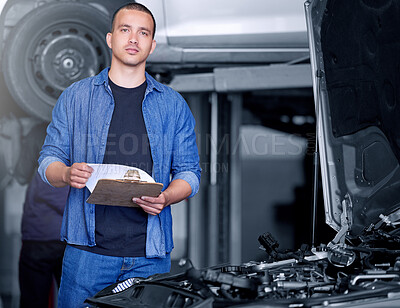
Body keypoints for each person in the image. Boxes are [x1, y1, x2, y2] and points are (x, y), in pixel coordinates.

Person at [38, 2, 201, 307]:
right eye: (125, 30)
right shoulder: (76, 97)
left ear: (152, 45)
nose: (133, 39)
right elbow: (48, 160)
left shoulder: (173, 105)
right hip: (86, 255)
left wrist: (165, 197)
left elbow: (190, 172)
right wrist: (65, 173)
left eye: (143, 33)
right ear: (111, 38)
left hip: (149, 257)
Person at [19, 171, 69, 308]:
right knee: (72, 300)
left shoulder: (44, 167)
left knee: (33, 299)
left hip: (37, 238)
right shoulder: (67, 170)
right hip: (64, 241)